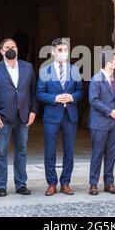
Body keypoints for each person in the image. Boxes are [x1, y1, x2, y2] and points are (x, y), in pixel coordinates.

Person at [0, 38, 38, 197]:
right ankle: (1, 185)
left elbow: (33, 92)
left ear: (17, 49)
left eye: (13, 47)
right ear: (1, 51)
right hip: (2, 117)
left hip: (23, 117)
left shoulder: (28, 67)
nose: (11, 49)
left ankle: (21, 184)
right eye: (7, 47)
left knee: (21, 151)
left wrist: (33, 111)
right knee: (1, 152)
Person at [37, 38, 83, 196]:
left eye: (65, 50)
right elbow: (40, 93)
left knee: (69, 150)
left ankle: (66, 183)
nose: (63, 53)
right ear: (53, 52)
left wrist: (72, 97)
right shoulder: (45, 71)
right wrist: (55, 98)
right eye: (60, 50)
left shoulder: (75, 70)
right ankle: (51, 183)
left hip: (70, 116)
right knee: (50, 150)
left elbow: (80, 91)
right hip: (52, 116)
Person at [88, 52, 115, 196]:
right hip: (99, 123)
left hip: (112, 125)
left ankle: (109, 182)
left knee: (111, 154)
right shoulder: (96, 79)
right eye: (114, 62)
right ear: (106, 62)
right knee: (97, 154)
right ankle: (93, 184)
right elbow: (94, 100)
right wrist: (110, 112)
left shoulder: (113, 80)